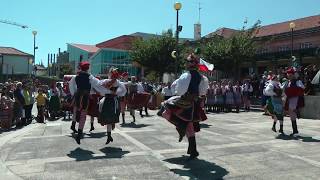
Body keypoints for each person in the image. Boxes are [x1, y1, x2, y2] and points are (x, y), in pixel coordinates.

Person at [158, 53, 208, 160]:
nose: (187, 64)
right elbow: (203, 91)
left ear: (190, 64)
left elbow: (179, 91)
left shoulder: (186, 75)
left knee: (164, 110)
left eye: (188, 62)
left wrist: (178, 91)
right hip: (194, 103)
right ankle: (193, 150)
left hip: (185, 102)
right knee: (189, 126)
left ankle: (180, 126)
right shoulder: (201, 77)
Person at [69, 61, 108, 144]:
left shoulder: (76, 76)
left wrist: (74, 93)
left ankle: (74, 126)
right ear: (88, 68)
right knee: (83, 115)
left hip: (78, 96)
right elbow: (98, 84)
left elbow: (71, 85)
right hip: (85, 97)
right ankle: (79, 134)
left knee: (76, 112)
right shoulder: (90, 77)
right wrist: (106, 89)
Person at [98, 67, 126, 145]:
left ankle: (109, 136)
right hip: (114, 101)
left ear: (110, 73)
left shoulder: (105, 81)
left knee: (106, 118)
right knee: (111, 119)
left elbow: (99, 88)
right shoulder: (118, 82)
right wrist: (117, 93)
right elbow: (124, 91)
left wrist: (105, 92)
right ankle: (109, 136)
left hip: (107, 100)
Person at [283, 67, 305, 136]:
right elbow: (283, 90)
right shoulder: (286, 82)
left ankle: (297, 110)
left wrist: (294, 89)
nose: (289, 76)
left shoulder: (298, 81)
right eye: (288, 75)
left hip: (296, 98)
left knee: (292, 110)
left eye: (290, 75)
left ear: (293, 75)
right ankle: (295, 131)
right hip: (289, 99)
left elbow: (302, 88)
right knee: (292, 115)